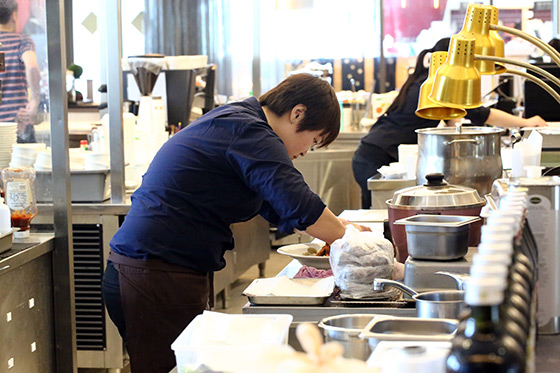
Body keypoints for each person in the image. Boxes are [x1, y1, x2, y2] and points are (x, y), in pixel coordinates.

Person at [101, 73, 369, 372]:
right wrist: (354, 239)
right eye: (314, 140)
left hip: (162, 272)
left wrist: (338, 231)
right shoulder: (249, 130)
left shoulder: (243, 122)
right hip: (153, 275)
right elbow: (298, 202)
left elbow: (278, 204)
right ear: (297, 113)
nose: (306, 151)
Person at [352, 37, 548, 209]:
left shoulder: (428, 80)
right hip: (373, 159)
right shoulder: (438, 85)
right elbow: (481, 114)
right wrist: (526, 122)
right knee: (380, 219)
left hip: (374, 154)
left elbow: (455, 122)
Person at [0, 0, 40, 143]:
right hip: (19, 124)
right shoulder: (21, 41)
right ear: (14, 16)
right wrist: (35, 100)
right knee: (24, 165)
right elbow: (32, 66)